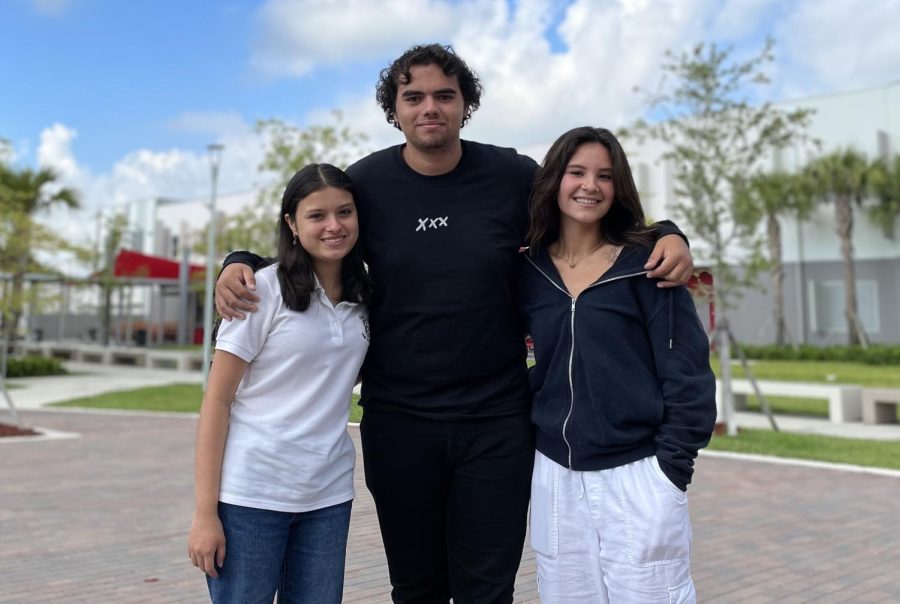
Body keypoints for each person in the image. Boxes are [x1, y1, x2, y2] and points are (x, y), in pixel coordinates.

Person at [215, 44, 695, 603]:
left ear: (466, 104)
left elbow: (587, 205)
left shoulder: (513, 176)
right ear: (394, 109)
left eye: (445, 95)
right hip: (399, 422)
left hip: (496, 421)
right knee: (416, 589)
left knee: (487, 591)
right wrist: (241, 261)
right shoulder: (366, 185)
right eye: (413, 97)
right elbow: (317, 228)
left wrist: (666, 229)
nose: (430, 108)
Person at [518, 126, 716, 603]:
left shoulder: (648, 267)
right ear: (554, 180)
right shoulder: (528, 271)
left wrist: (670, 470)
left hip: (639, 473)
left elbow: (688, 376)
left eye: (605, 176)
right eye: (577, 172)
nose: (590, 185)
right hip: (554, 472)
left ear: (619, 186)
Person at [187, 164, 373, 603]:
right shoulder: (258, 293)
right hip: (252, 497)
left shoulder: (365, 299)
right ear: (291, 223)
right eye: (316, 215)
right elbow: (216, 402)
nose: (333, 226)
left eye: (344, 212)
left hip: (326, 497)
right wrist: (204, 514)